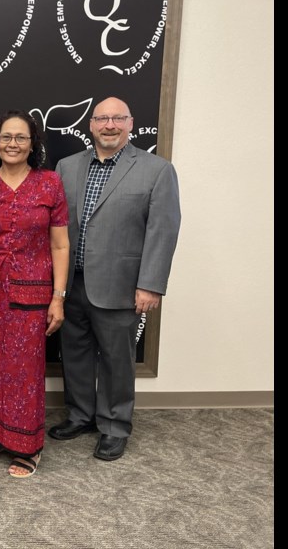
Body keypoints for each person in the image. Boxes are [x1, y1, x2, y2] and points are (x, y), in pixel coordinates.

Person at [51, 97, 181, 462]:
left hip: (121, 285)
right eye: (102, 118)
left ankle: (114, 426)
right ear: (90, 125)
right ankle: (80, 415)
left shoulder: (157, 170)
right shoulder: (66, 167)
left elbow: (163, 232)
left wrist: (151, 284)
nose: (110, 124)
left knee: (116, 360)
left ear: (130, 123)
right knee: (73, 354)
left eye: (117, 118)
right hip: (70, 282)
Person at [0, 110, 69, 478]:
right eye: (6, 137)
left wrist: (59, 295)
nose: (12, 143)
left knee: (24, 369)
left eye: (20, 137)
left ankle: (28, 445)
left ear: (32, 143)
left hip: (32, 291)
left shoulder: (50, 184)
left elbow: (59, 245)